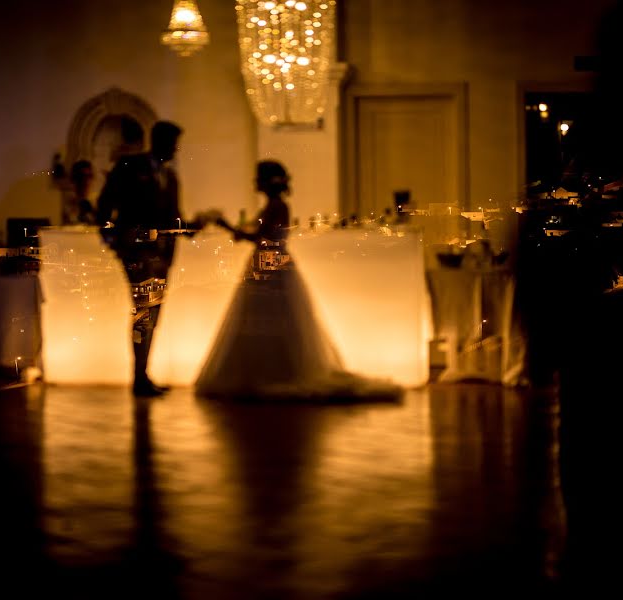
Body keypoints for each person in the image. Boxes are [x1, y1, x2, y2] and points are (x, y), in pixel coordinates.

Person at [195, 160, 402, 402]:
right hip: (268, 263)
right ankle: (271, 371)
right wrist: (234, 229)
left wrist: (225, 225)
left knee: (269, 317)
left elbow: (261, 238)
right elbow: (257, 236)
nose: (254, 182)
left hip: (269, 264)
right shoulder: (274, 206)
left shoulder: (277, 206)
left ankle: (273, 373)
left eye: (258, 178)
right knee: (269, 318)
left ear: (266, 182)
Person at [96, 120, 196, 397]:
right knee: (143, 313)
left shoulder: (170, 176)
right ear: (159, 141)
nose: (176, 150)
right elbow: (105, 203)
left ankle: (142, 375)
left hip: (163, 254)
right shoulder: (130, 167)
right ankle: (139, 378)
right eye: (173, 144)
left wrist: (191, 227)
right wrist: (112, 240)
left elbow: (173, 216)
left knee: (151, 314)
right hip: (138, 252)